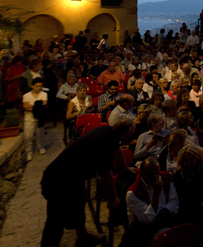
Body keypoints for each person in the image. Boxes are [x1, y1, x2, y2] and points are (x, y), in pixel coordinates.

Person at [40, 119, 135, 247]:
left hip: (74, 177)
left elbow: (117, 151)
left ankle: (83, 238)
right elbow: (106, 174)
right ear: (127, 134)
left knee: (77, 206)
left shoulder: (109, 132)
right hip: (58, 179)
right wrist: (112, 198)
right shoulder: (105, 141)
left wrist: (125, 169)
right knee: (56, 218)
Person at [121, 157, 179, 247]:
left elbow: (174, 200)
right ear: (142, 174)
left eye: (157, 173)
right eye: (151, 174)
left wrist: (165, 211)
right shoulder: (133, 192)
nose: (155, 177)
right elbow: (147, 219)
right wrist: (156, 194)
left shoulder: (165, 177)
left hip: (165, 220)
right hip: (145, 230)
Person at [22, 77, 48, 160]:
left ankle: (41, 147)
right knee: (27, 136)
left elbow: (44, 106)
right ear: (32, 86)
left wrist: (32, 106)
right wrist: (38, 106)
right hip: (29, 118)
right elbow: (26, 107)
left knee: (40, 134)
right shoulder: (26, 95)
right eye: (37, 86)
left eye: (40, 86)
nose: (39, 88)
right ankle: (29, 152)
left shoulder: (44, 94)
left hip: (40, 118)